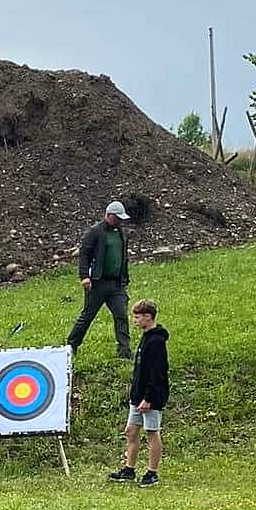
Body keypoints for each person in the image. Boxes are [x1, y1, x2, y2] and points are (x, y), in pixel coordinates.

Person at [109, 300, 169, 487]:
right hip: (138, 396)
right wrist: (136, 394)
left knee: (152, 432)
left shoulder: (156, 341)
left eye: (137, 317)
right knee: (131, 431)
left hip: (150, 397)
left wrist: (148, 398)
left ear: (148, 317)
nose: (134, 320)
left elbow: (157, 373)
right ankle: (129, 469)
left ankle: (152, 472)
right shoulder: (146, 337)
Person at [67, 200, 134, 359]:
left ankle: (124, 351)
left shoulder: (121, 233)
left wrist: (124, 277)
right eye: (117, 218)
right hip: (97, 283)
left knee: (121, 315)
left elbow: (123, 257)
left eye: (121, 218)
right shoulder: (95, 232)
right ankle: (71, 346)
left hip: (116, 284)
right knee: (87, 316)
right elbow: (84, 254)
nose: (120, 221)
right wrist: (84, 276)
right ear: (108, 215)